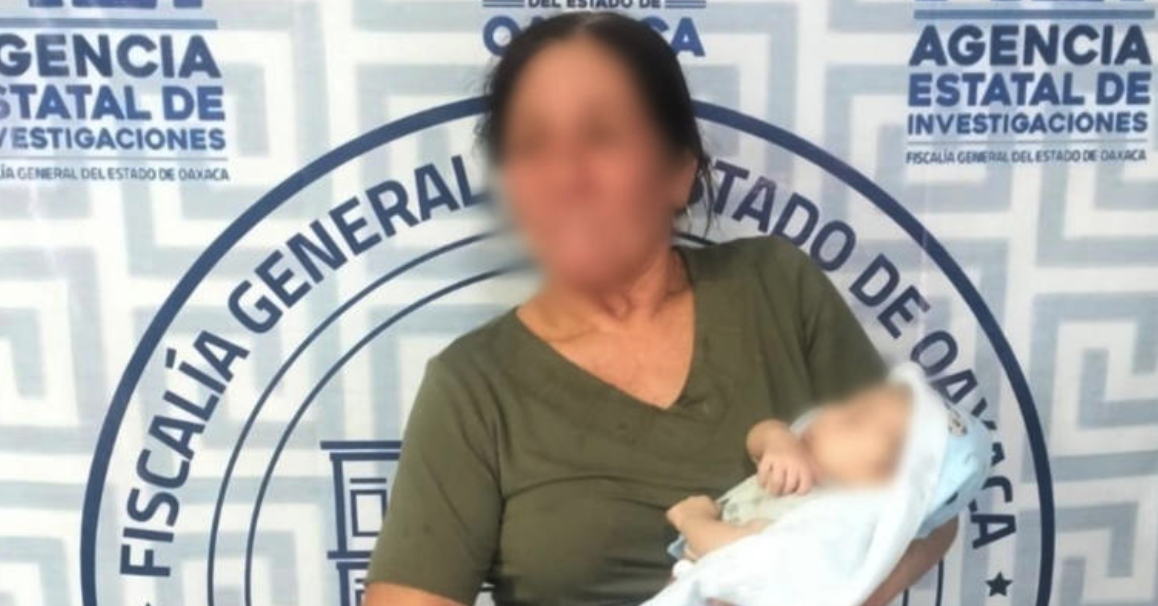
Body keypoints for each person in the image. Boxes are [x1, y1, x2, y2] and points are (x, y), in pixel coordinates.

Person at [363, 11, 957, 606]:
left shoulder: (775, 289)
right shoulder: (472, 387)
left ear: (678, 171)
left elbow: (933, 496)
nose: (565, 175)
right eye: (532, 145)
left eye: (601, 135)